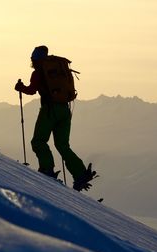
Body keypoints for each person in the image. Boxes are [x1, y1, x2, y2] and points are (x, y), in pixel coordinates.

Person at [15, 45, 94, 191]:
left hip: (50, 110)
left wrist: (21, 88)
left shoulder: (38, 72)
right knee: (62, 145)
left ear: (34, 58)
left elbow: (32, 90)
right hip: (65, 109)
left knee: (39, 141)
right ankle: (80, 173)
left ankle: (47, 170)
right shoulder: (57, 70)